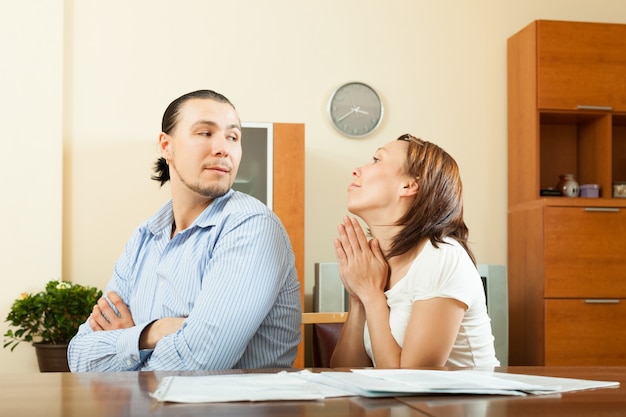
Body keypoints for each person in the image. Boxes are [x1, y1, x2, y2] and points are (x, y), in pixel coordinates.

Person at [68, 89, 301, 371]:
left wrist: (127, 341)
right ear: (166, 146)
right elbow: (80, 357)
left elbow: (199, 363)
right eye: (204, 133)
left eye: (233, 137)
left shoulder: (251, 226)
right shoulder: (143, 238)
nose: (223, 148)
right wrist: (152, 332)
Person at [329, 133, 499, 369]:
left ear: (409, 185)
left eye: (377, 160)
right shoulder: (376, 265)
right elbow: (344, 372)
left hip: (460, 404)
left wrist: (371, 294)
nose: (357, 170)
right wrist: (359, 297)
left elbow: (410, 383)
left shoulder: (442, 256)